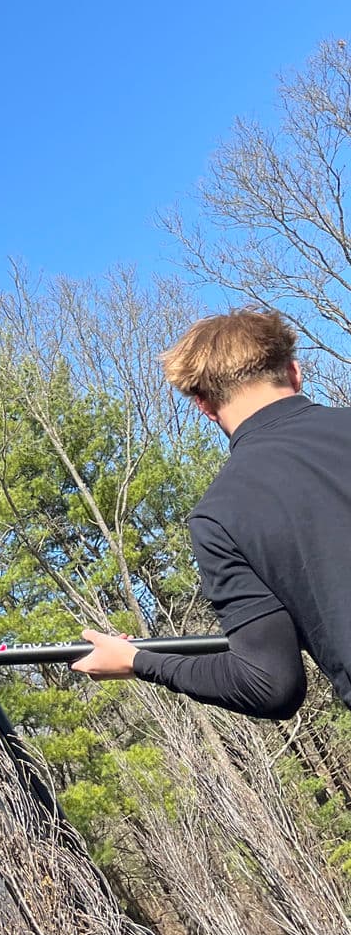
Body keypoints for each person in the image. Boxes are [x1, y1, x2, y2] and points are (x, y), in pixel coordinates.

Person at [69, 307, 351, 719]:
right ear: (294, 371)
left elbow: (269, 685)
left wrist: (137, 661)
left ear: (203, 405)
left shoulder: (219, 516)